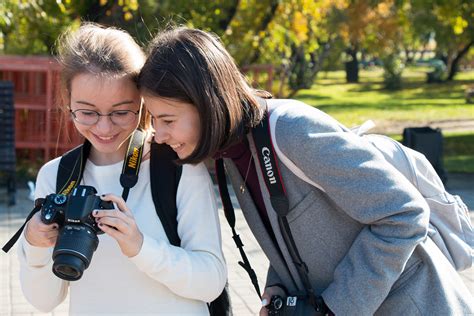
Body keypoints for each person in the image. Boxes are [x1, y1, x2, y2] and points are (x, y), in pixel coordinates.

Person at [138, 27, 474, 316]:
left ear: (210, 103)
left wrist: (334, 308)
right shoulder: (235, 149)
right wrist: (278, 288)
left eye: (167, 120)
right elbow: (295, 231)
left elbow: (404, 214)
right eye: (154, 119)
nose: (160, 134)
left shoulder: (292, 132)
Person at [18, 23, 226, 315]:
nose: (104, 127)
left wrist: (141, 247)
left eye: (120, 112)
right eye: (88, 112)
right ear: (68, 103)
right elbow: (43, 301)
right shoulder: (56, 176)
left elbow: (211, 282)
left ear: (142, 103)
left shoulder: (177, 167)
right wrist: (34, 245)